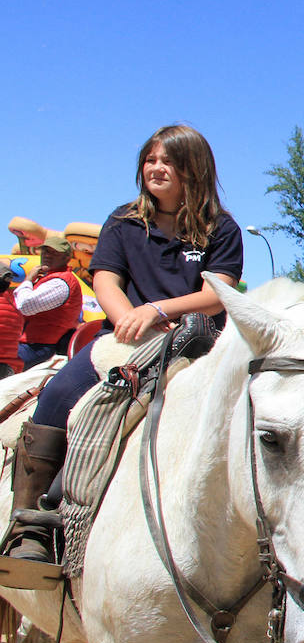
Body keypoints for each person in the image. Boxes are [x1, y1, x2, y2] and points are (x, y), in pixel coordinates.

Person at [0, 124, 243, 584]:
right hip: (127, 339)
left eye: (167, 161)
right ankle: (29, 527)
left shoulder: (221, 228)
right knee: (57, 393)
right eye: (150, 160)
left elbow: (219, 291)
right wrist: (131, 316)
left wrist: (157, 310)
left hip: (199, 344)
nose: (156, 168)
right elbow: (106, 279)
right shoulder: (124, 221)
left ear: (194, 168)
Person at [13, 232, 83, 369]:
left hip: (39, 347)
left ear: (67, 258)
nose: (47, 255)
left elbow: (25, 306)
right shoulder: (50, 278)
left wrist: (27, 281)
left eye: (54, 253)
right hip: (30, 344)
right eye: (45, 251)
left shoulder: (60, 282)